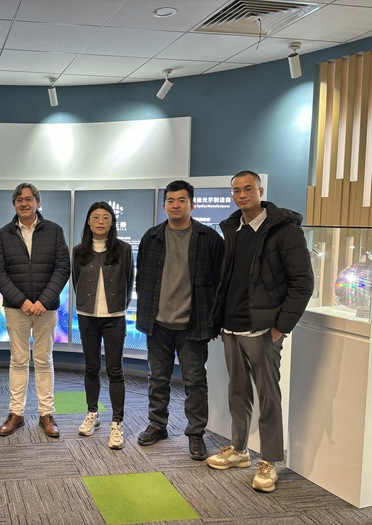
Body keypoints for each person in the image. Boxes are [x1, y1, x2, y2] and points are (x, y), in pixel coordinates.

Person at [207, 170, 314, 493]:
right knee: (237, 392)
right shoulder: (233, 229)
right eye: (236, 191)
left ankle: (269, 461)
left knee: (268, 397)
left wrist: (281, 326)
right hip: (231, 327)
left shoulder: (285, 230)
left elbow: (302, 282)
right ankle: (240, 450)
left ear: (260, 190)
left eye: (247, 189)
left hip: (263, 330)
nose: (241, 195)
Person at [135, 180, 224, 461]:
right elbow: (142, 279)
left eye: (181, 200)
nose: (176, 205)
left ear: (192, 205)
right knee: (157, 378)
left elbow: (220, 283)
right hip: (158, 323)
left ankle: (195, 432)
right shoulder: (152, 237)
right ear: (164, 205)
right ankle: (157, 425)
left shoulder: (209, 238)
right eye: (171, 201)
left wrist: (215, 320)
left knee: (195, 381)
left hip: (193, 324)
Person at [0, 183, 70, 438]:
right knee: (18, 360)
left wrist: (43, 301)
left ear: (37, 202)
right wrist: (21, 301)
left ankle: (46, 414)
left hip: (46, 309)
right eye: (19, 200)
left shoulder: (54, 231)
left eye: (28, 199)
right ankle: (16, 413)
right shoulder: (3, 234)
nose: (24, 203)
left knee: (44, 360)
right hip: (17, 309)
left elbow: (62, 268)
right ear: (14, 204)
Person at [73, 202, 134, 450]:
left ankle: (117, 422)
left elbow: (129, 279)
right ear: (88, 222)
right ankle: (92, 414)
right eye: (96, 217)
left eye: (106, 217)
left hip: (114, 317)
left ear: (112, 222)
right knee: (91, 367)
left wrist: (119, 306)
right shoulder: (78, 251)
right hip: (87, 315)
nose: (100, 221)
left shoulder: (124, 249)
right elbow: (76, 281)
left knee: (115, 370)